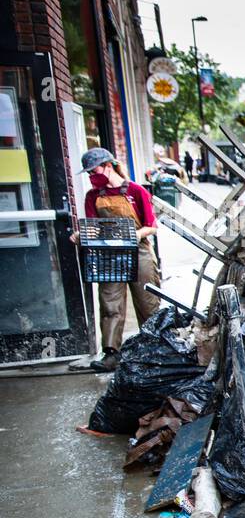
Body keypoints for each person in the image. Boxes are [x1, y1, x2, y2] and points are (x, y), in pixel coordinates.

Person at [75, 147, 162, 372]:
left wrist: (136, 234)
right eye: (89, 173)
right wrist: (82, 235)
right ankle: (112, 354)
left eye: (93, 170)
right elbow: (93, 227)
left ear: (108, 166)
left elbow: (151, 226)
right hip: (110, 255)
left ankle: (154, 349)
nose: (91, 176)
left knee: (148, 301)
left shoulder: (136, 191)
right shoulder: (93, 196)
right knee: (110, 303)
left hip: (139, 251)